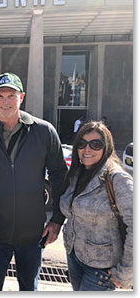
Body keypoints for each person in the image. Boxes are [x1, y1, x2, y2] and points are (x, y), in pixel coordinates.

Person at [0, 72, 68, 291]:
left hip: (32, 234)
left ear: (22, 97)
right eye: (0, 95)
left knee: (29, 287)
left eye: (11, 95)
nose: (5, 101)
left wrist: (57, 219)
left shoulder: (44, 131)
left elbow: (59, 176)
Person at [59, 121, 132, 291]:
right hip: (75, 257)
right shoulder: (77, 174)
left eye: (96, 144)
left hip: (102, 268)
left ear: (106, 147)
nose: (87, 149)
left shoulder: (118, 180)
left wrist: (125, 273)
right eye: (82, 144)